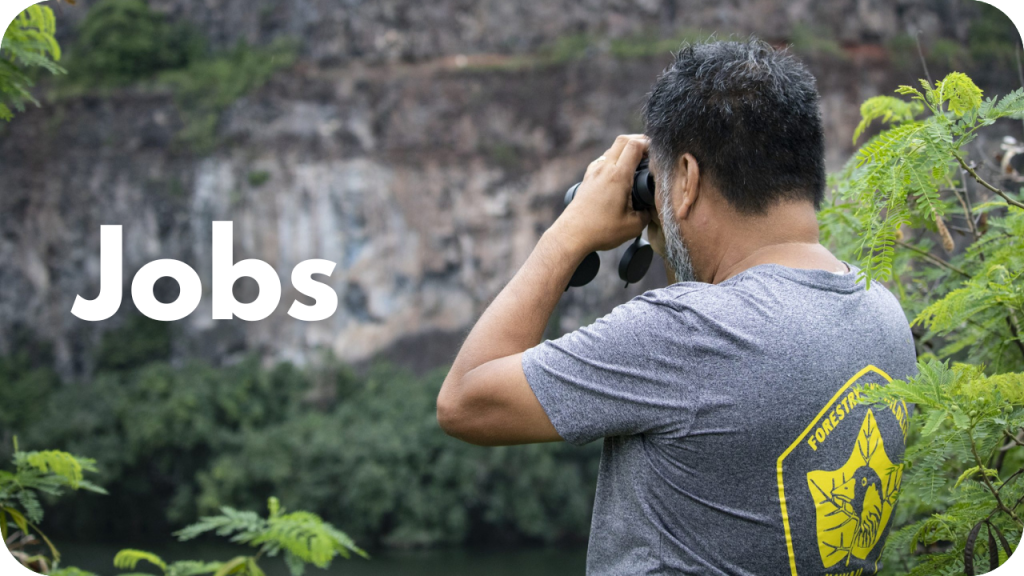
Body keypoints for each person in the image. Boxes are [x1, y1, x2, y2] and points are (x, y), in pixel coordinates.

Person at [436, 38, 916, 576]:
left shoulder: (688, 335)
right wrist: (675, 234)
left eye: (662, 183)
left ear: (686, 179)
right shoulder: (883, 314)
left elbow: (465, 401)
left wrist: (566, 234)